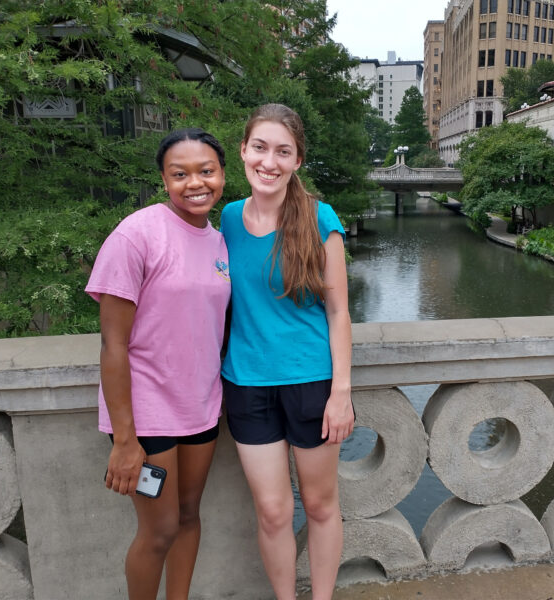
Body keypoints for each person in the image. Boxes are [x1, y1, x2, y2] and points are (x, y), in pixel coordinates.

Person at [86, 128, 231, 600]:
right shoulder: (137, 234)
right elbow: (112, 345)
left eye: (206, 171)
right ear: (164, 180)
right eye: (180, 173)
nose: (196, 183)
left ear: (223, 175)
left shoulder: (218, 240)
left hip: (201, 406)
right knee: (160, 529)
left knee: (189, 516)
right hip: (147, 417)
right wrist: (125, 441)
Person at [220, 103, 353, 600]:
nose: (269, 162)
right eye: (260, 148)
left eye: (283, 151)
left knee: (319, 506)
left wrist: (340, 393)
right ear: (243, 151)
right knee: (273, 511)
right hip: (247, 384)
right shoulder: (229, 217)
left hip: (311, 384)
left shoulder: (320, 219)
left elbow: (339, 312)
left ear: (297, 160)